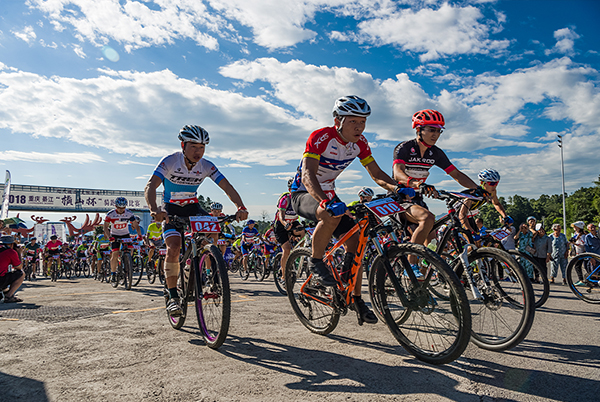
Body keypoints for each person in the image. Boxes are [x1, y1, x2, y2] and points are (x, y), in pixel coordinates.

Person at [290, 95, 414, 325]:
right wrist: (325, 201)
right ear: (338, 120)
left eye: (363, 122)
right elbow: (308, 176)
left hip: (328, 194)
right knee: (328, 214)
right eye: (353, 121)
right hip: (304, 192)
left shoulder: (360, 143)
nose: (359, 127)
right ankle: (315, 262)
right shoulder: (321, 137)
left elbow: (377, 175)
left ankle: (355, 297)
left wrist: (398, 188)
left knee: (357, 240)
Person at [145, 124, 248, 317]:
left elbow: (226, 186)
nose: (198, 152)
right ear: (183, 145)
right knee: (174, 247)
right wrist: (154, 209)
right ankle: (173, 296)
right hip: (171, 207)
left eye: (202, 147)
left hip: (193, 206)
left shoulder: (206, 165)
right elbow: (151, 186)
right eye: (194, 147)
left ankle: (210, 273)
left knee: (212, 230)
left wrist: (240, 206)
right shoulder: (170, 161)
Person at [393, 109, 481, 275]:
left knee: (433, 243)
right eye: (431, 129)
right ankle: (410, 267)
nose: (436, 134)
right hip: (401, 198)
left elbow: (456, 174)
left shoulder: (436, 153)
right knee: (428, 218)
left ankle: (422, 282)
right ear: (418, 129)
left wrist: (477, 189)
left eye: (439, 130)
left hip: (418, 199)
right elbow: (398, 172)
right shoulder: (405, 147)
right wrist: (416, 183)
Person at [456, 169, 513, 241]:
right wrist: (470, 231)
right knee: (472, 244)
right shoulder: (473, 194)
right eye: (491, 184)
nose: (494, 186)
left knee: (478, 243)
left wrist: (505, 216)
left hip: (469, 215)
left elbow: (496, 203)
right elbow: (462, 215)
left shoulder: (492, 191)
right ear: (483, 183)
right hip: (459, 216)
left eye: (496, 183)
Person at [104, 197, 142, 284]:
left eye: (123, 208)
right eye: (119, 208)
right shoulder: (110, 214)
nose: (121, 210)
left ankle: (127, 262)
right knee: (115, 253)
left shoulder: (129, 213)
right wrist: (109, 236)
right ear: (115, 206)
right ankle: (113, 273)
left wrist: (140, 235)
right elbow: (105, 227)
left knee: (130, 249)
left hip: (125, 234)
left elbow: (136, 225)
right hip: (115, 235)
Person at [273, 179, 305, 279]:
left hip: (293, 222)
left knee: (303, 232)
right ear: (290, 190)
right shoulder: (286, 199)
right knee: (286, 250)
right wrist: (285, 224)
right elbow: (281, 216)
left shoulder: (301, 199)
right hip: (281, 224)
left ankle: (300, 253)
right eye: (294, 190)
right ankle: (283, 276)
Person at [0, 235, 24, 303]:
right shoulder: (10, 252)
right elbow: (19, 267)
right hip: (1, 279)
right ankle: (9, 296)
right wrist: (19, 253)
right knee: (21, 273)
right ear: (12, 244)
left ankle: (5, 292)